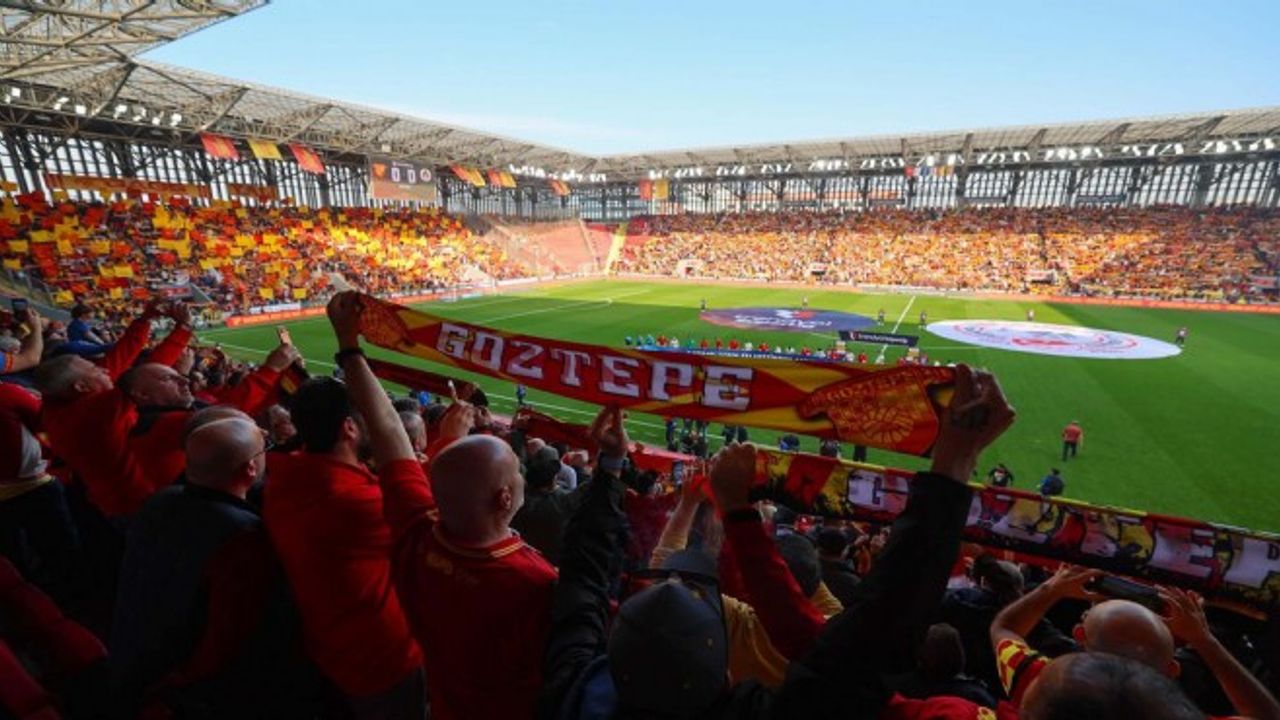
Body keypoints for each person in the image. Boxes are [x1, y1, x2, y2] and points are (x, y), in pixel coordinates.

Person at [539, 364, 1016, 718]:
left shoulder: (570, 689)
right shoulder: (568, 675)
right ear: (726, 674)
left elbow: (582, 579)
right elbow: (856, 652)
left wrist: (952, 466)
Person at [327, 291, 557, 720]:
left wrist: (349, 347)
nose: (521, 475)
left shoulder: (417, 531)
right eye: (515, 471)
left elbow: (388, 430)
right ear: (505, 498)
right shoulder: (536, 580)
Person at [110, 409, 317, 717]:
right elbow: (230, 633)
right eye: (264, 449)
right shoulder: (243, 537)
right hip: (195, 684)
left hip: (135, 654)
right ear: (250, 469)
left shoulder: (160, 501)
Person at [262, 375, 425, 717]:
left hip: (332, 648)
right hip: (384, 663)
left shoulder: (285, 476)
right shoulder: (355, 502)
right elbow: (426, 519)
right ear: (349, 428)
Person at [990, 565, 1280, 719]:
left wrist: (1052, 588)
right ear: (1172, 669)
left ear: (1080, 636)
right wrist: (1205, 641)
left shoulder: (1044, 681)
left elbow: (1005, 627)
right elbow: (1266, 715)